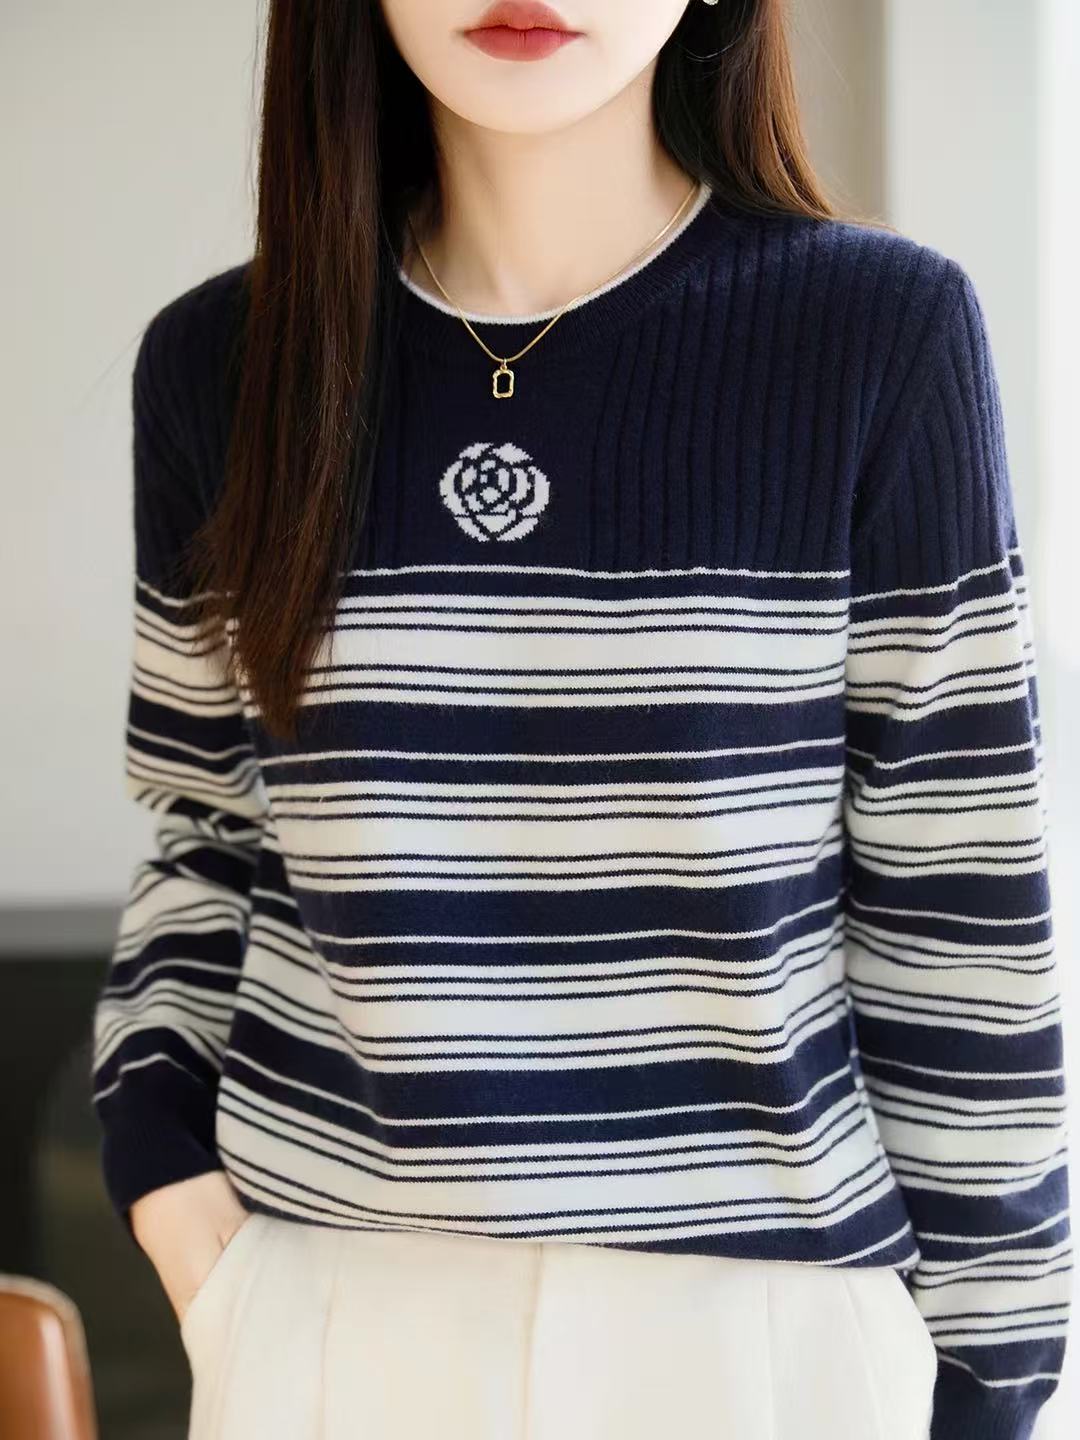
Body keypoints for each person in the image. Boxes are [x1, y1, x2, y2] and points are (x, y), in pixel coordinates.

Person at [89, 2, 1072, 1437]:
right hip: (332, 1318)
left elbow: (957, 899)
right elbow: (208, 830)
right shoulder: (219, 366)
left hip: (762, 1345)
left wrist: (990, 1383)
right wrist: (171, 1182)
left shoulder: (878, 335)